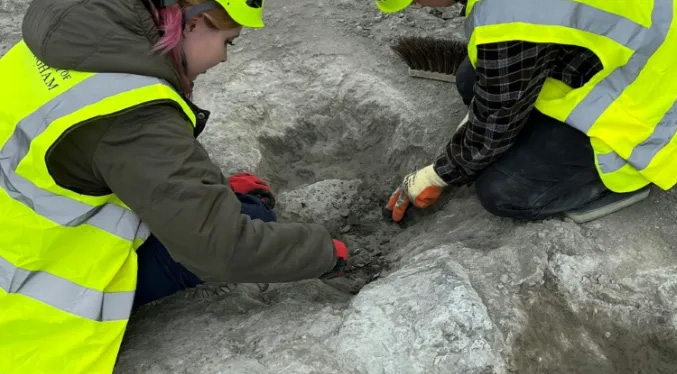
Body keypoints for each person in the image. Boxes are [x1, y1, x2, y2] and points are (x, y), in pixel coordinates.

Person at [0, 0, 348, 372]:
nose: (225, 59)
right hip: (30, 302)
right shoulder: (134, 115)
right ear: (196, 23)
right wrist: (323, 252)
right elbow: (220, 249)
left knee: (233, 209)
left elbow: (107, 160)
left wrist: (213, 189)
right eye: (229, 42)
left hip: (24, 237)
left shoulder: (76, 36)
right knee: (250, 217)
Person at [378, 0, 673, 223]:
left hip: (652, 96)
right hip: (630, 49)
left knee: (503, 191)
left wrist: (439, 175)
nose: (418, 6)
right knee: (472, 79)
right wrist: (487, 112)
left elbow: (495, 125)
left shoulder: (510, 15)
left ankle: (620, 181)